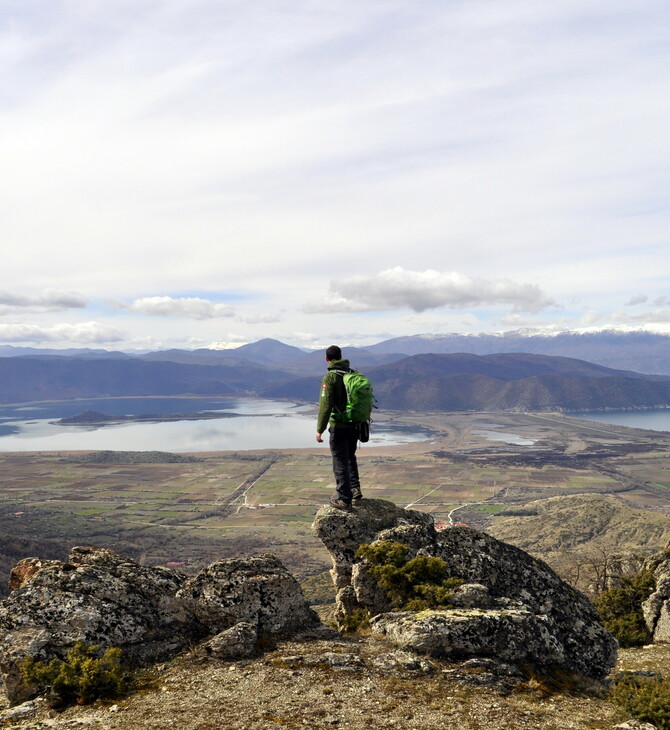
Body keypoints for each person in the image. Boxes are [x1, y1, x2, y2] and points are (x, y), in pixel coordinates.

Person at [316, 345, 362, 511]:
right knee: (350, 456)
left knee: (339, 460)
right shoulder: (352, 374)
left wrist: (319, 429)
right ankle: (355, 490)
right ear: (341, 357)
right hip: (356, 425)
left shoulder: (330, 378)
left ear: (327, 358)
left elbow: (325, 405)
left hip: (339, 427)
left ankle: (344, 499)